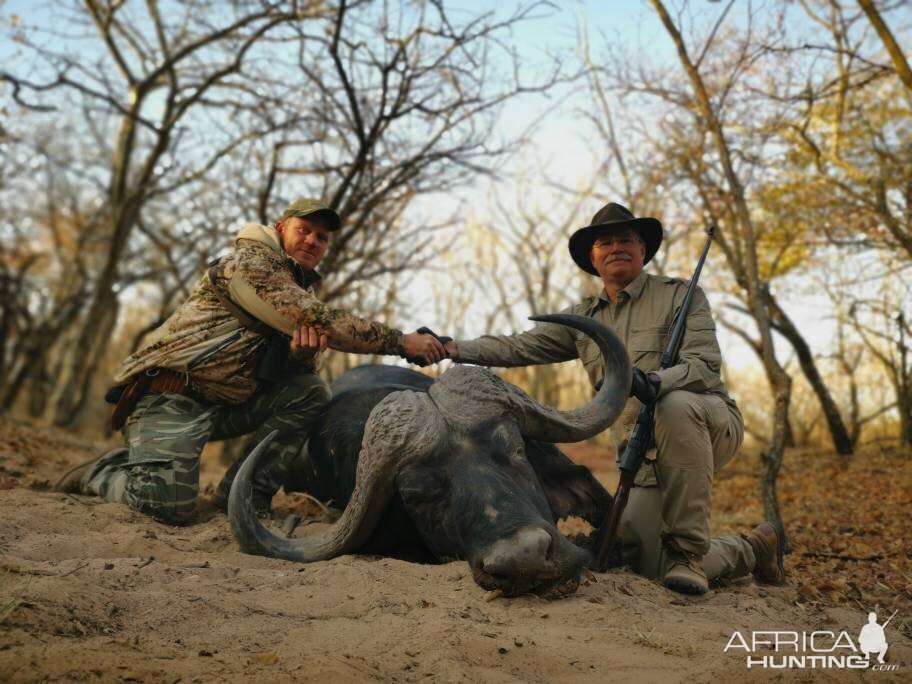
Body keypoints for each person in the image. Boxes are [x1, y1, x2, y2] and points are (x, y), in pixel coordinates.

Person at [442, 202, 785, 595]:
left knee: (673, 406)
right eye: (605, 242)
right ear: (593, 257)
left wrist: (655, 380)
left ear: (643, 250)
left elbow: (703, 368)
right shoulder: (583, 318)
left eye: (626, 239)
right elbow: (517, 347)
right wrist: (451, 348)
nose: (616, 247)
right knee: (643, 562)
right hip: (642, 456)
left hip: (707, 426)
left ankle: (689, 554)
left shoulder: (680, 296)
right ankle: (754, 547)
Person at [57, 198, 446, 524]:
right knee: (162, 507)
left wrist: (298, 356)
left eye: (322, 238)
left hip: (225, 405)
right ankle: (101, 471)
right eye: (303, 230)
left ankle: (243, 498)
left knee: (309, 391)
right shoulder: (250, 263)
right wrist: (401, 342)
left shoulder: (297, 287)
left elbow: (296, 364)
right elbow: (317, 318)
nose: (312, 241)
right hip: (170, 398)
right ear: (280, 228)